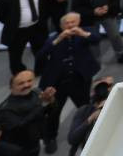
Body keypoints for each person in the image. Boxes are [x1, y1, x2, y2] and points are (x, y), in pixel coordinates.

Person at [36, 13, 100, 154]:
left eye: (73, 22)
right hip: (57, 84)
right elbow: (41, 55)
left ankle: (87, 132)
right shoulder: (53, 38)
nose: (70, 25)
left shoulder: (85, 33)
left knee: (84, 107)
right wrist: (58, 40)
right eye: (67, 23)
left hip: (79, 81)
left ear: (79, 22)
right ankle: (50, 138)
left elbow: (96, 39)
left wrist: (82, 33)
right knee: (54, 112)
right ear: (61, 26)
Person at [0, 0, 48, 76]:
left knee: (40, 50)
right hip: (18, 30)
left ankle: (41, 70)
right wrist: (12, 22)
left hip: (36, 27)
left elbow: (44, 6)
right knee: (15, 54)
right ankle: (19, 73)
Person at [0, 71, 54, 156]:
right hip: (18, 149)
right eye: (21, 83)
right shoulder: (4, 110)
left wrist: (51, 100)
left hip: (35, 141)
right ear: (11, 87)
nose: (26, 85)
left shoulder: (36, 93)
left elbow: (48, 112)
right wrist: (42, 105)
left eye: (29, 81)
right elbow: (20, 126)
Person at [65, 78, 111, 156]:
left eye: (107, 86)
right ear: (93, 93)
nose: (102, 90)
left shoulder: (114, 107)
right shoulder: (84, 111)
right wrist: (91, 118)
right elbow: (72, 139)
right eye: (99, 88)